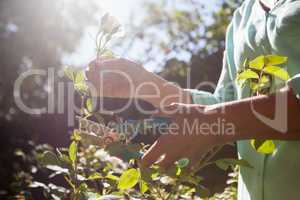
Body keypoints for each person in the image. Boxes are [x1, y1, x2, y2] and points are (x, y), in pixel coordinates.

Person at [86, 0, 300, 199]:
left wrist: (215, 121)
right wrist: (145, 84)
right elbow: (226, 103)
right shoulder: (241, 18)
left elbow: (222, 118)